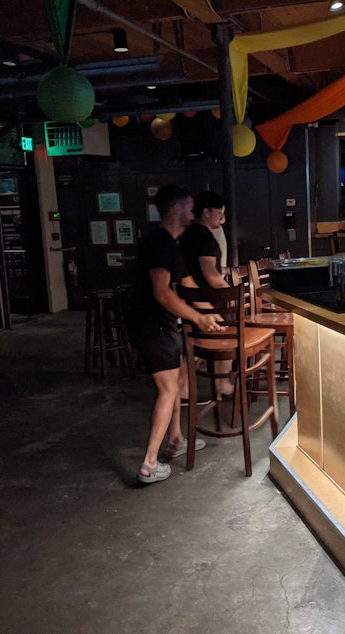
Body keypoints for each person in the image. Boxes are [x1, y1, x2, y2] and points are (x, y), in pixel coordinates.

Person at [135, 184, 224, 485]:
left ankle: (175, 439)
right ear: (176, 210)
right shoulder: (159, 243)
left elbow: (186, 285)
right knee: (168, 389)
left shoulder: (173, 244)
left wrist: (213, 314)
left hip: (164, 323)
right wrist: (199, 317)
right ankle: (148, 464)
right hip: (152, 324)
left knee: (177, 381)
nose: (193, 213)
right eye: (188, 208)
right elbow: (162, 293)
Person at [180, 191, 234, 399]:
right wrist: (231, 295)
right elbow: (210, 274)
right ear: (206, 212)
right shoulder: (204, 237)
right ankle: (221, 385)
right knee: (227, 334)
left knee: (195, 343)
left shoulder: (187, 233)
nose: (221, 218)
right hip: (202, 300)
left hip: (188, 298)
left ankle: (184, 388)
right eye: (219, 213)